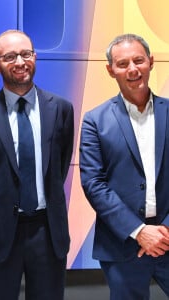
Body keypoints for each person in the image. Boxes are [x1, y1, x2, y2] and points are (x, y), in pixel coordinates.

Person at [0, 30, 74, 300]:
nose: (20, 62)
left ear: (35, 57)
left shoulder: (61, 108)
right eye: (10, 56)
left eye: (26, 54)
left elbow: (58, 168)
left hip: (47, 232)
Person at [79, 33, 169, 299]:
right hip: (122, 243)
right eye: (123, 63)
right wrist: (139, 231)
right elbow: (94, 183)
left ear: (151, 62)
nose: (132, 69)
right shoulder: (95, 120)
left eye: (139, 60)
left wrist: (163, 231)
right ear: (110, 70)